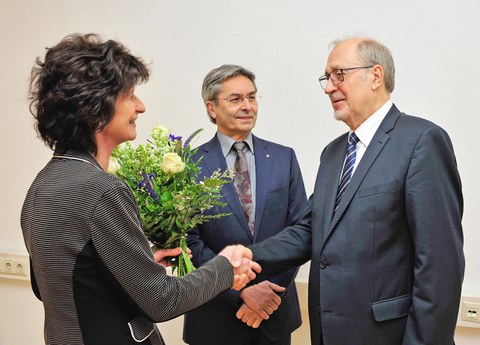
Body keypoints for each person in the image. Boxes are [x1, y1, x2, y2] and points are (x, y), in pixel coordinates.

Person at [21, 33, 260, 345]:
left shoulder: (42, 183)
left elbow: (53, 286)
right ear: (95, 109)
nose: (141, 107)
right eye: (130, 96)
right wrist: (225, 266)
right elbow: (162, 301)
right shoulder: (102, 190)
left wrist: (139, 263)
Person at [248, 37, 464, 345]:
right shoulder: (333, 153)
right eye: (327, 78)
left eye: (339, 74)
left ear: (376, 76)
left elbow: (439, 266)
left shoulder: (422, 141)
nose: (328, 87)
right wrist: (244, 257)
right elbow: (308, 231)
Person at [183, 64, 307, 345]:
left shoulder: (283, 158)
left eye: (252, 97)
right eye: (236, 99)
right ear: (211, 107)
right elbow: (190, 242)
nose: (247, 106)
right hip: (215, 315)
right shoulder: (189, 165)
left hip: (274, 312)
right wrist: (239, 291)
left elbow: (300, 230)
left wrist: (270, 293)